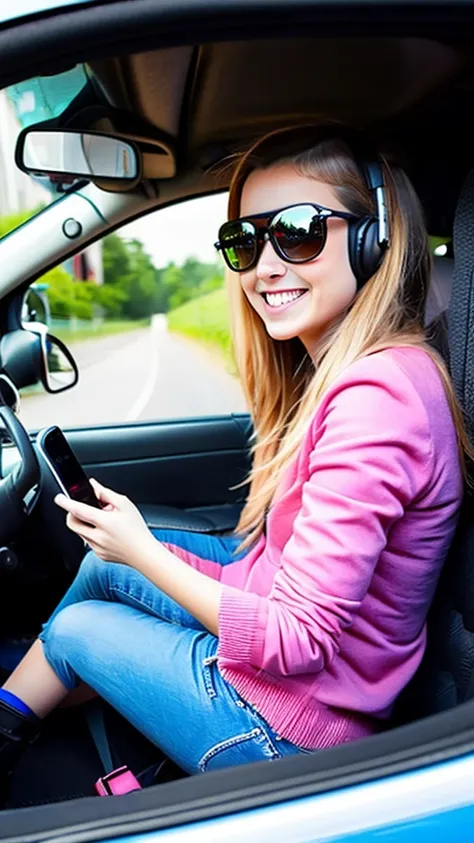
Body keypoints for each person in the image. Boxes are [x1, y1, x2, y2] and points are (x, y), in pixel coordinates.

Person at [0, 124, 468, 784]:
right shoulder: (352, 373)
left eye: (299, 232)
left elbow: (298, 641)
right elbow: (280, 576)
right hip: (299, 686)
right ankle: (45, 687)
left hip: (295, 730)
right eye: (244, 241)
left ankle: (30, 701)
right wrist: (133, 550)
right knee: (104, 570)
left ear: (372, 238)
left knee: (81, 624)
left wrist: (143, 550)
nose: (266, 265)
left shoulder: (379, 397)